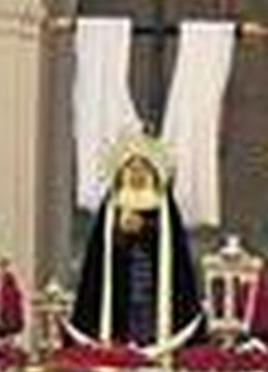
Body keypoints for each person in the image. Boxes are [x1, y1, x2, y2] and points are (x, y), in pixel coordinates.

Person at [70, 134, 201, 353]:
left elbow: (173, 251)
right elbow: (101, 254)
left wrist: (146, 229)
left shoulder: (164, 205)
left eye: (143, 167)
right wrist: (120, 233)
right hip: (120, 284)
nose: (137, 173)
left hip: (153, 284)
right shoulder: (112, 205)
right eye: (132, 167)